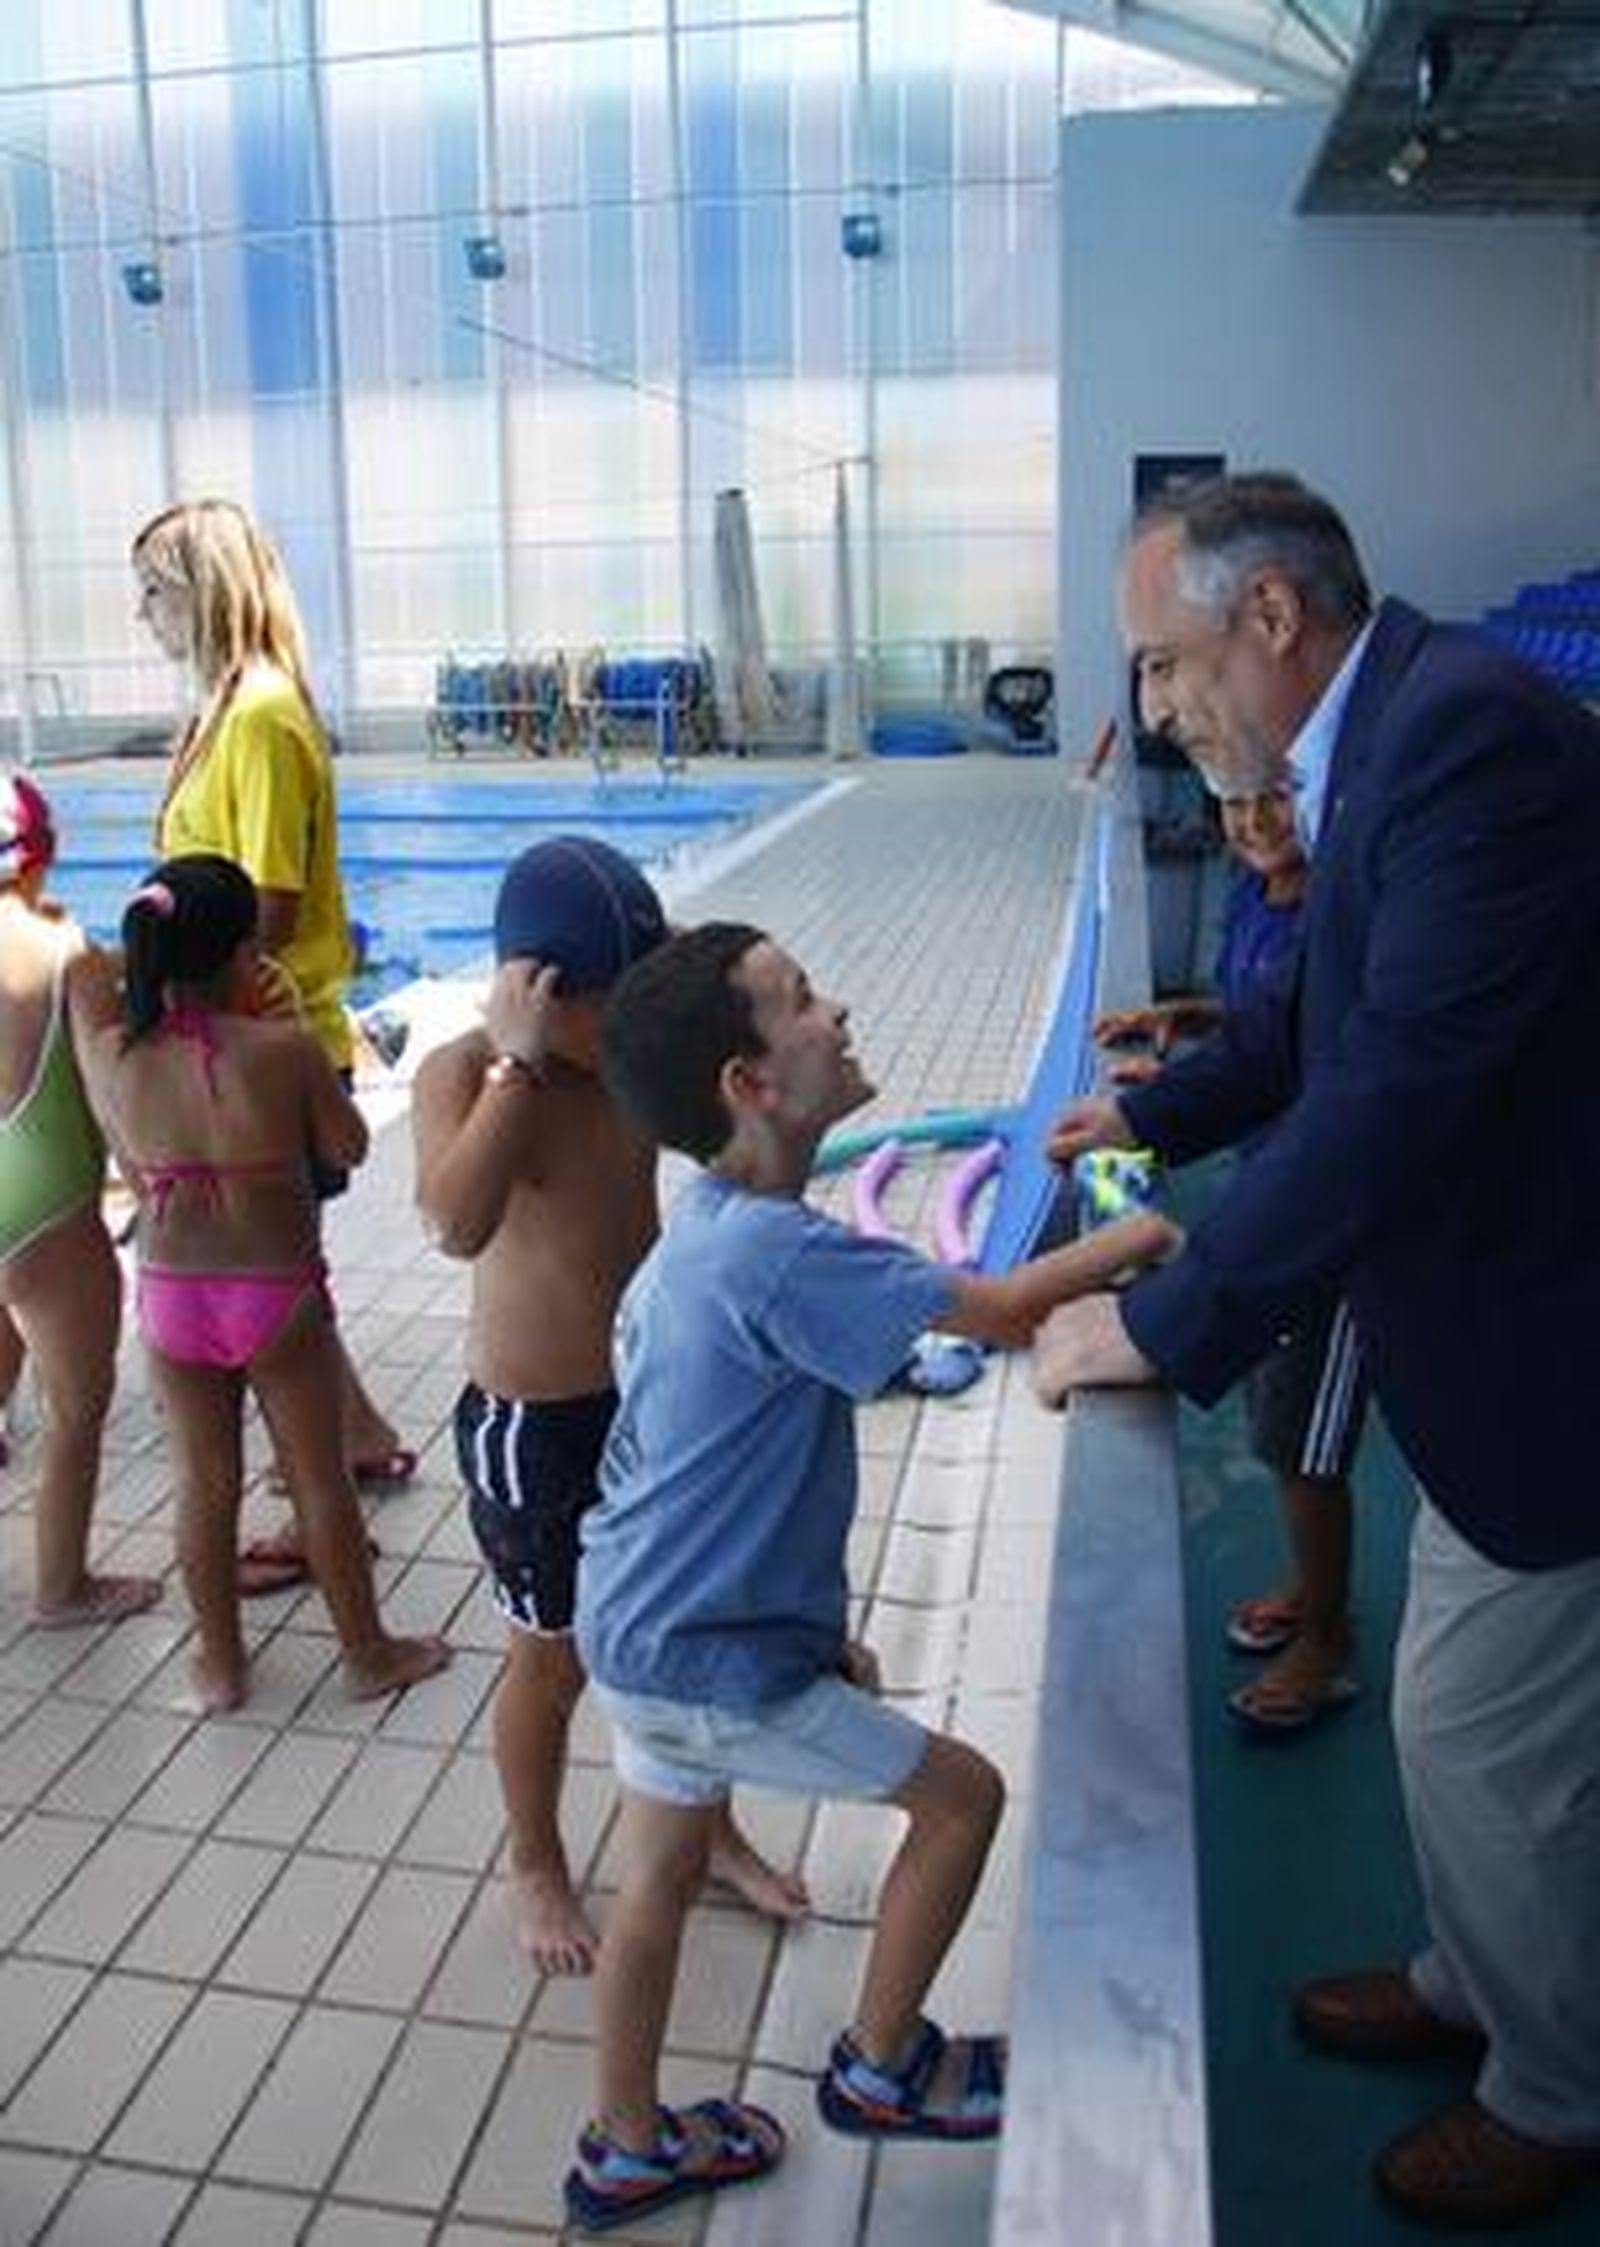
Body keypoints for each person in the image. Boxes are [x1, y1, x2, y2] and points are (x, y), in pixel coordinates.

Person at [1037, 471, 1600, 2231]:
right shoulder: (1391, 733)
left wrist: (1164, 1317)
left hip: (1560, 1337)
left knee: (1480, 1735)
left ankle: (1556, 2086)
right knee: (1474, 1723)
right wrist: (1157, 1104)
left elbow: (1397, 1083)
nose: (1157, 706)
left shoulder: (1466, 743)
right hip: (1498, 1329)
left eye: (1165, 660)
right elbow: (1314, 1020)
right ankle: (1476, 1976)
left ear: (1269, 615)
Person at [561, 920, 1177, 2232]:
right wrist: (1154, 1233)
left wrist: (808, 1630)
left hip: (633, 1621)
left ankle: (626, 2146)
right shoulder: (782, 1253)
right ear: (749, 1082)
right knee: (963, 1798)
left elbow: (716, 1478)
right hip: (711, 1657)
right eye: (799, 1001)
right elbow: (1001, 1311)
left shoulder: (711, 1225)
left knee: (655, 1882)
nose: (835, 1011)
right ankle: (883, 2067)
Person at [412, 839, 808, 1976]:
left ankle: (709, 1827)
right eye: (613, 998)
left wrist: (677, 969)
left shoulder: (632, 1055)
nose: (632, 1018)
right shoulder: (465, 1074)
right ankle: (535, 1858)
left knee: (683, 1623)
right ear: (538, 990)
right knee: (552, 1660)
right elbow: (454, 1223)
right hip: (534, 1422)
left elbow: (760, 1023)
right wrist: (517, 1065)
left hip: (649, 1392)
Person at [71, 853, 450, 1714]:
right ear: (247, 953)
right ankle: (366, 1654)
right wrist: (298, 1026)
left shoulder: (116, 1056)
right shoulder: (281, 1050)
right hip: (275, 1294)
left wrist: (151, 957)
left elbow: (82, 976)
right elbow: (350, 1145)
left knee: (204, 1485)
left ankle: (220, 1664)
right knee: (319, 1479)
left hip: (172, 1295)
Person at [129, 498, 414, 1600]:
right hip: (243, 1039)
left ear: (206, 591)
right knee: (288, 1278)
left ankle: (315, 1512)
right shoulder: (229, 708)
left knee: (264, 1292)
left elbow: (273, 905)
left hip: (263, 1052)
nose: (143, 614)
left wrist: (164, 988)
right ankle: (361, 1438)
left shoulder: (254, 716)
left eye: (156, 590)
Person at [1095, 783, 1368, 1735]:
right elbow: (1261, 1026)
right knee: (1277, 1427)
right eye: (1235, 805)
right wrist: (1183, 1022)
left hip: (1330, 1220)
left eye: (1275, 800)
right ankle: (1313, 1587)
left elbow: (1307, 1051)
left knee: (1304, 1442)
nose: (1254, 823)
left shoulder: (1338, 913)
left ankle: (1327, 1640)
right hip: (1272, 1200)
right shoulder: (1257, 895)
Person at [0, 769, 161, 1628]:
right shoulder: (69, 952)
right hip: (41, 1197)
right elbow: (108, 1092)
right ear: (42, 855)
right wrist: (149, 1185)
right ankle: (63, 1587)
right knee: (75, 1406)